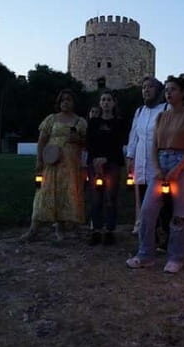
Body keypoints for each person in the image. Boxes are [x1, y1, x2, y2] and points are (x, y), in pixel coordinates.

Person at [126, 76, 184, 273]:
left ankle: (176, 257)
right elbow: (154, 145)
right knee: (147, 210)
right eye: (166, 90)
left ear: (183, 93)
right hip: (161, 162)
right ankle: (145, 254)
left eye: (173, 89)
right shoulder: (161, 117)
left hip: (182, 162)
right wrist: (157, 168)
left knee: (180, 213)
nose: (168, 93)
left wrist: (178, 169)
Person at [25, 89, 87, 241]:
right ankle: (34, 228)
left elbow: (86, 142)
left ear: (73, 102)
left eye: (68, 99)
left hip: (70, 165)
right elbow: (42, 141)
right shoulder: (51, 119)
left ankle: (61, 228)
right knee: (44, 193)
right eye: (62, 100)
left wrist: (78, 140)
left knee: (65, 195)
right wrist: (39, 160)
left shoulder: (80, 122)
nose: (65, 102)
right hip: (52, 162)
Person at [126, 77, 170, 239]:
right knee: (144, 197)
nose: (146, 90)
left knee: (163, 199)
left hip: (159, 161)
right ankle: (148, 233)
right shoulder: (140, 112)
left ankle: (164, 233)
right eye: (144, 87)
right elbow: (134, 136)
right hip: (141, 161)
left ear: (158, 90)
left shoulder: (166, 108)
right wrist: (130, 156)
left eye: (150, 87)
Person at [87, 90, 128, 245]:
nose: (106, 103)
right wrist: (96, 160)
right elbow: (90, 142)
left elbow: (118, 143)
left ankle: (110, 230)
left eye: (109, 100)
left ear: (113, 103)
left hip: (112, 164)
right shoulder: (93, 122)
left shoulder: (119, 123)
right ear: (100, 103)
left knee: (111, 197)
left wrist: (106, 158)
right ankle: (96, 230)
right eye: (103, 100)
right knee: (96, 198)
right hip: (95, 164)